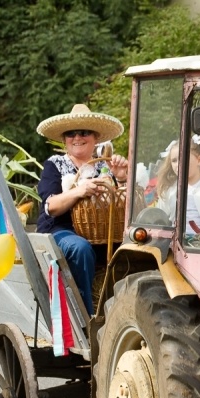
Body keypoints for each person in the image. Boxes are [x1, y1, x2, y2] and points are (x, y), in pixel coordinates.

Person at [35, 103, 128, 314]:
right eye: (71, 133)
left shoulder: (106, 166)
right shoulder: (55, 164)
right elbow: (51, 207)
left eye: (84, 132)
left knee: (134, 247)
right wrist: (79, 191)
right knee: (80, 248)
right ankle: (85, 318)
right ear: (64, 139)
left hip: (103, 234)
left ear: (96, 137)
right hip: (60, 230)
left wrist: (123, 178)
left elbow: (122, 206)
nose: (77, 137)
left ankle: (123, 313)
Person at [154, 135, 200, 235]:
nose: (178, 164)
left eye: (184, 158)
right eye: (174, 160)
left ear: (199, 160)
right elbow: (159, 216)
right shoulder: (170, 188)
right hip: (175, 239)